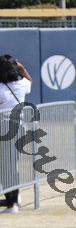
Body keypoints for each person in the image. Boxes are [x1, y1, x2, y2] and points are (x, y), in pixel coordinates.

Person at [0, 55, 32, 214]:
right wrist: (21, 66)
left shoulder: (1, 88)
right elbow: (29, 79)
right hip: (19, 128)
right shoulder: (22, 84)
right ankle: (14, 197)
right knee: (12, 165)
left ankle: (11, 203)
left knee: (6, 167)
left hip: (4, 129)